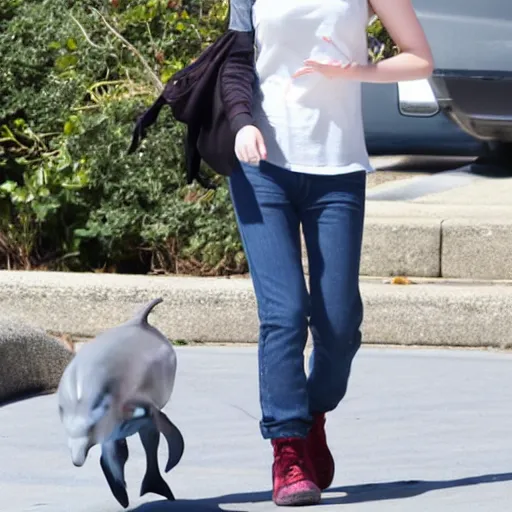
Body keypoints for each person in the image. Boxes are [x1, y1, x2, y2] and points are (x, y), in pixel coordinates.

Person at [222, 0, 434, 506]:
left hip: (336, 168)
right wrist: (240, 122)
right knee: (285, 313)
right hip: (261, 165)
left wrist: (356, 70)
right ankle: (288, 449)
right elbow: (236, 59)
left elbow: (419, 58)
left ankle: (311, 411)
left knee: (339, 324)